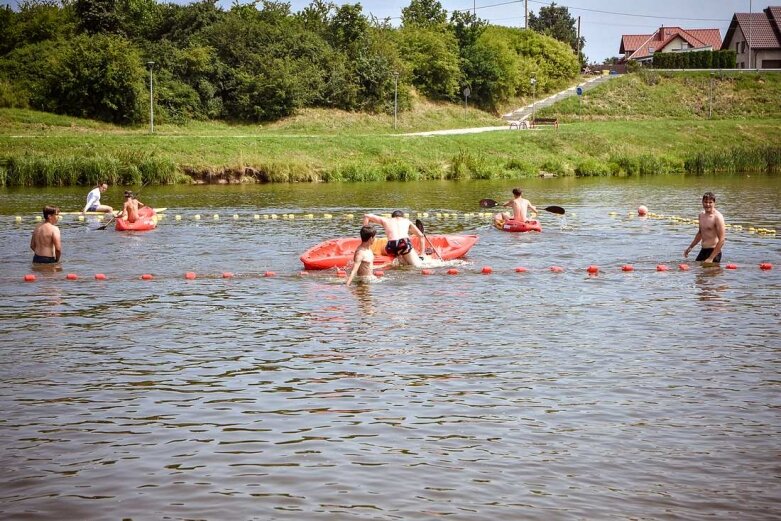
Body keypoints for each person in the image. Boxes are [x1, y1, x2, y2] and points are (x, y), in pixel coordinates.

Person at [684, 191, 726, 264]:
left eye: (710, 202)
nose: (708, 204)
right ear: (702, 202)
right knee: (698, 274)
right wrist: (690, 247)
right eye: (705, 202)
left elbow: (722, 240)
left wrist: (711, 258)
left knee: (710, 273)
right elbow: (700, 233)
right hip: (703, 250)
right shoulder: (701, 215)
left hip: (714, 251)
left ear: (714, 203)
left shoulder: (718, 217)